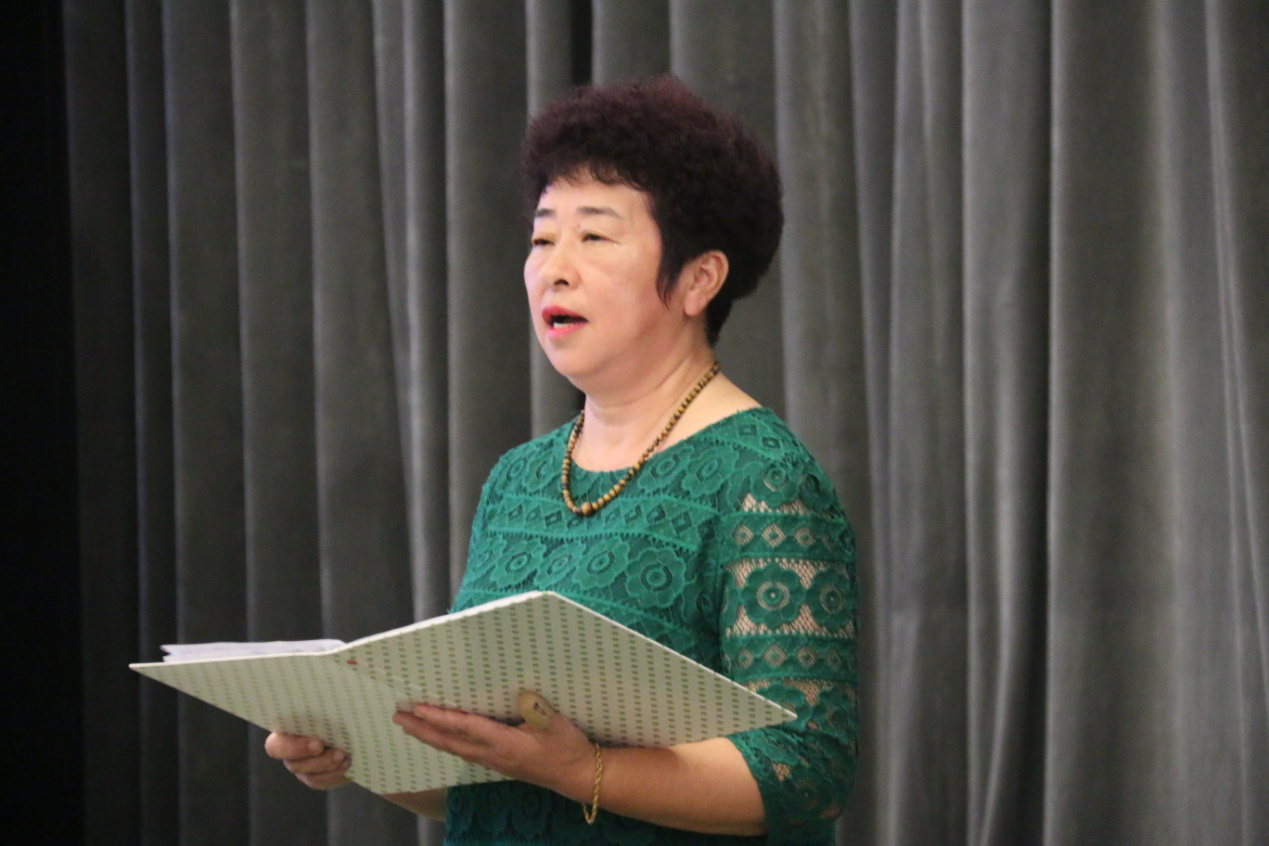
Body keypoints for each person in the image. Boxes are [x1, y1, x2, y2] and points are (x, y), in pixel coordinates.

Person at [267, 74, 858, 845]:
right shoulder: (517, 479)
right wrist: (356, 749)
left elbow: (806, 770)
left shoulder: (763, 479)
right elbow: (492, 781)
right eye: (543, 238)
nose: (555, 267)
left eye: (594, 237)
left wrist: (583, 770)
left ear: (698, 279)